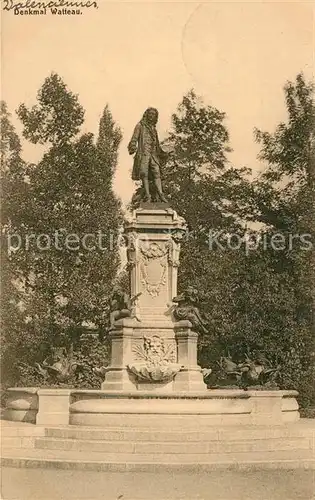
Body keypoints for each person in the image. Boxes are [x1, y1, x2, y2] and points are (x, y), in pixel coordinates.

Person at [128, 107, 170, 202]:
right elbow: (134, 138)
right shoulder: (140, 126)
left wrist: (163, 153)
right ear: (146, 114)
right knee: (144, 173)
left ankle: (161, 194)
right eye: (150, 114)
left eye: (153, 114)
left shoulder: (153, 129)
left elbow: (157, 144)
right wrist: (133, 146)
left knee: (157, 173)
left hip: (153, 154)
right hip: (143, 154)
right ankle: (147, 196)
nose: (151, 116)